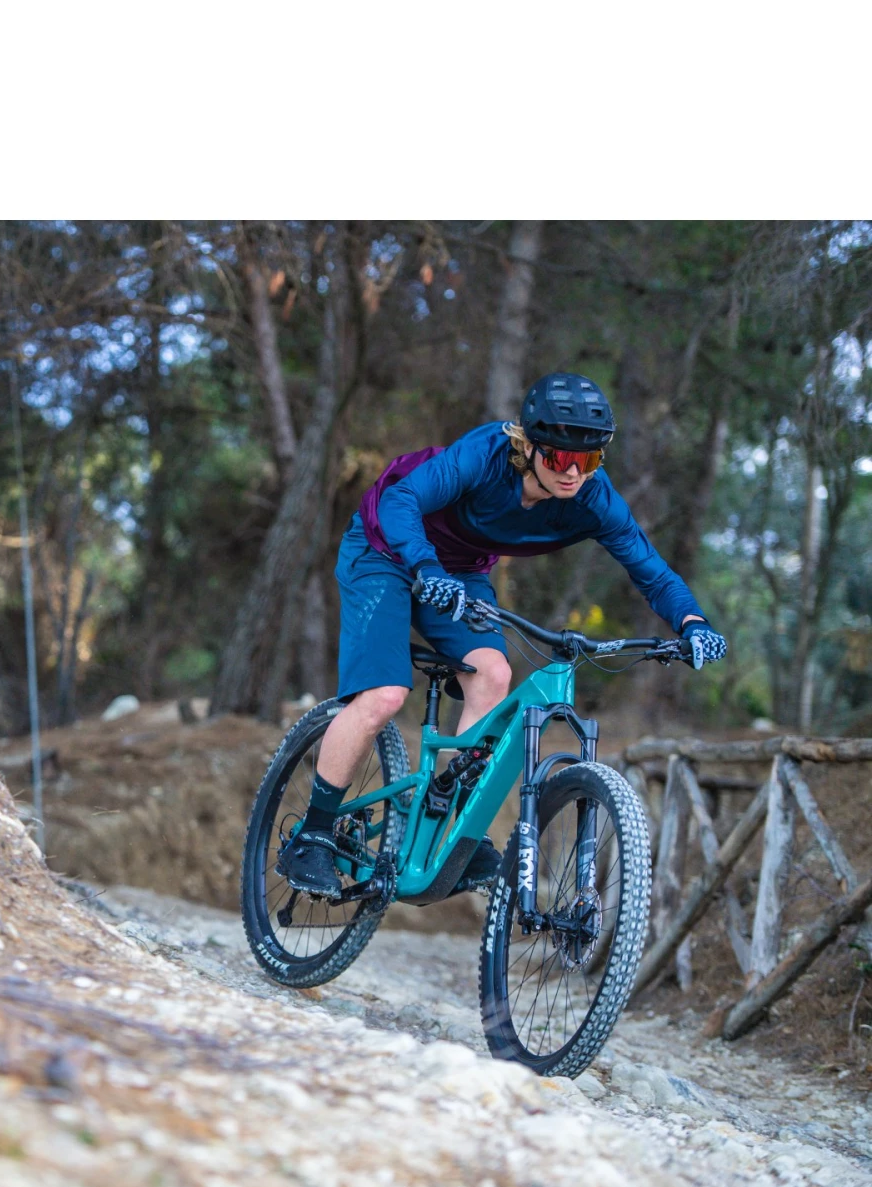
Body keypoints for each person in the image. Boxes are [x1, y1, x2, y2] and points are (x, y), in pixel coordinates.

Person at [279, 371, 727, 899]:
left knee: (494, 675)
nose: (574, 473)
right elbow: (401, 500)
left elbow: (651, 571)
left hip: (461, 571)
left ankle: (452, 833)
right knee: (385, 696)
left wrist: (693, 623)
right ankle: (312, 834)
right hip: (386, 550)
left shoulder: (593, 498)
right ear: (529, 446)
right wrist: (426, 567)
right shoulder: (485, 455)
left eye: (589, 460)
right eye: (562, 457)